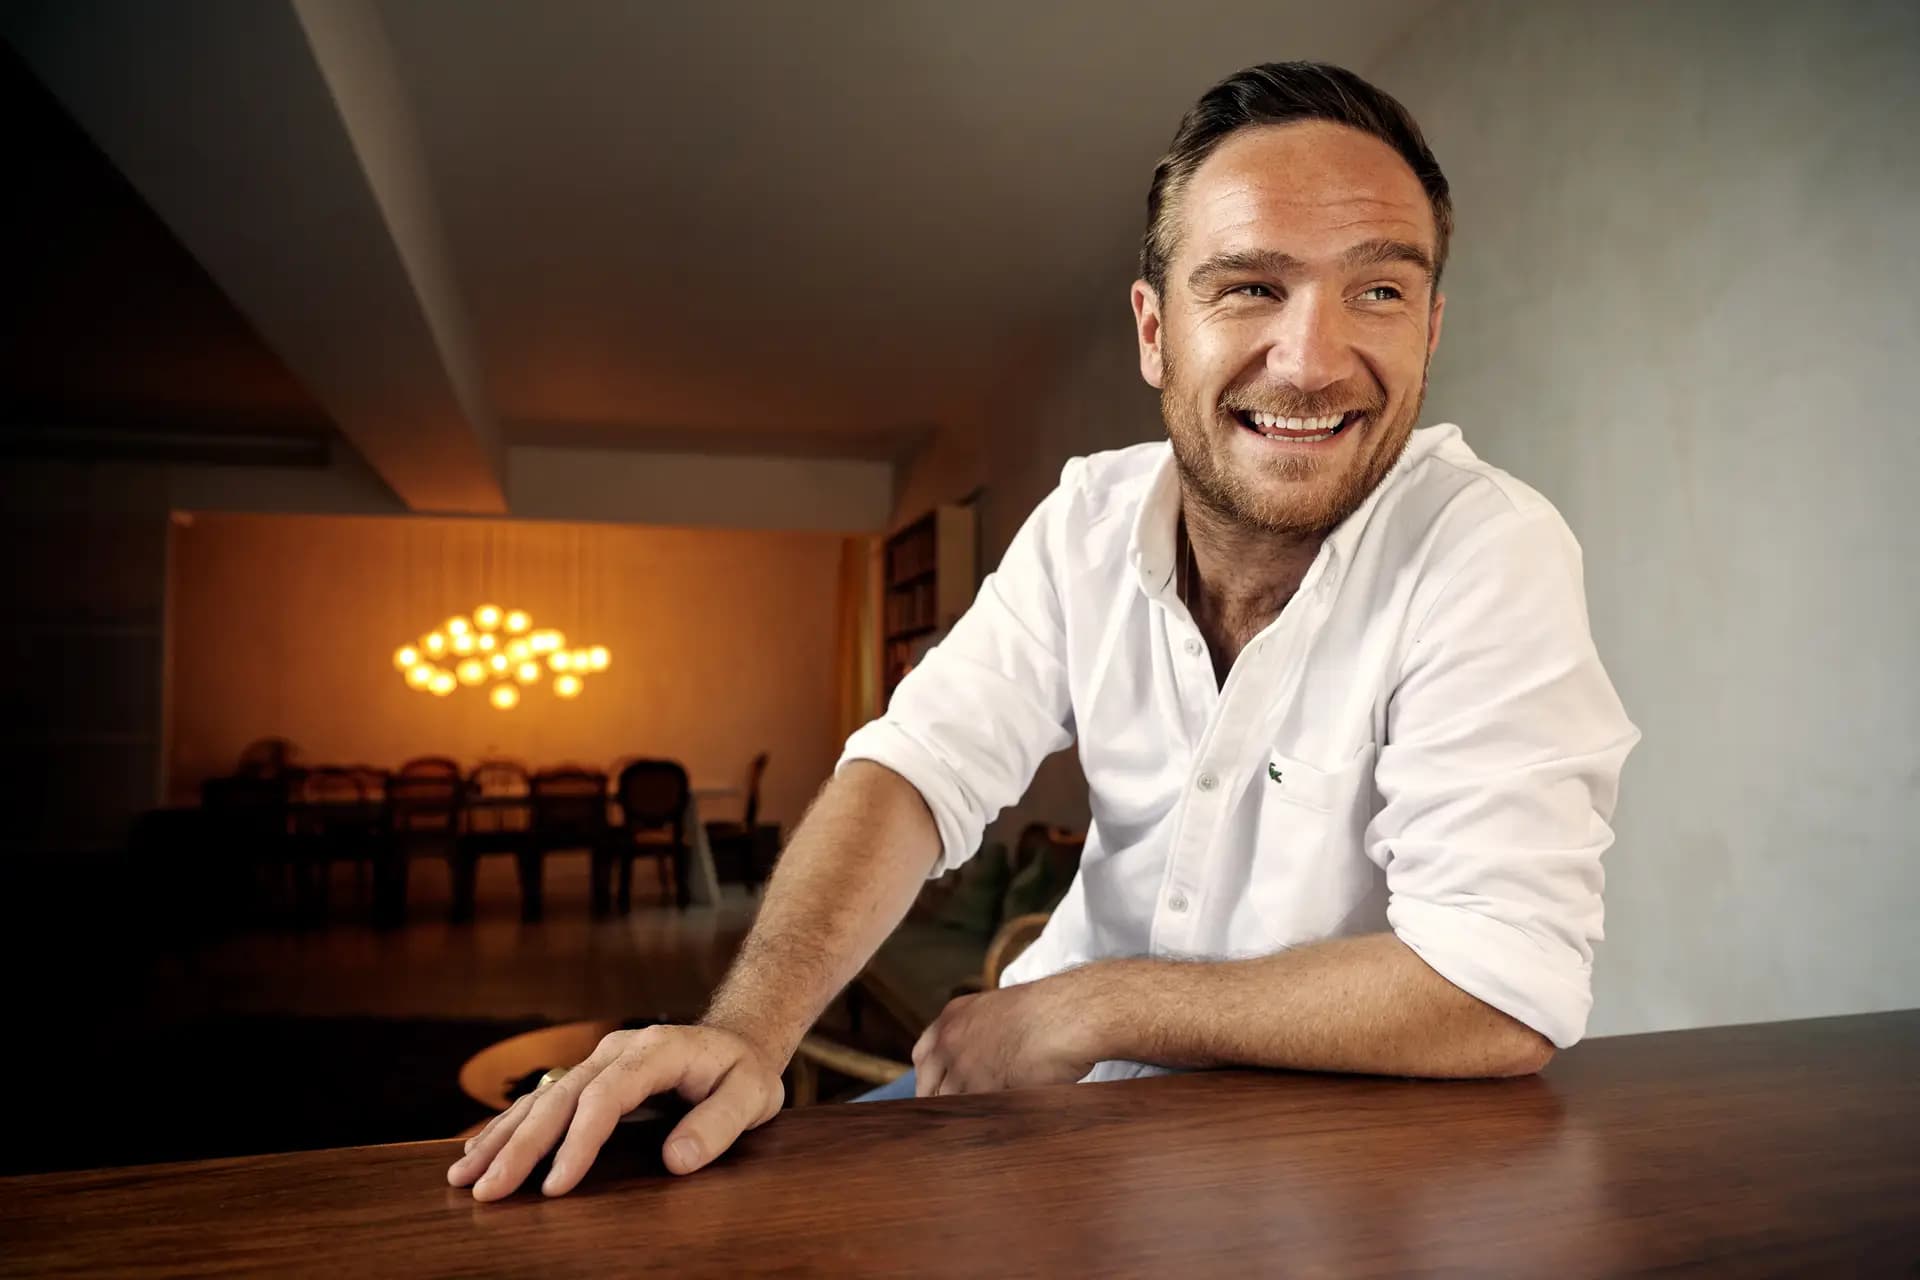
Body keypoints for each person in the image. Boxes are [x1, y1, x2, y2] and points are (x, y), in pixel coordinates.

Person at [449, 60, 1638, 1201]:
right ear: (1153, 331)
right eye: (1249, 286)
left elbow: (1498, 985)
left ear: (1430, 326)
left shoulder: (1489, 551)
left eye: (1378, 288)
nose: (1315, 360)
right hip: (1033, 1112)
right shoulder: (1087, 519)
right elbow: (918, 766)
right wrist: (747, 1032)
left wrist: (1091, 1006)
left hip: (1323, 1166)